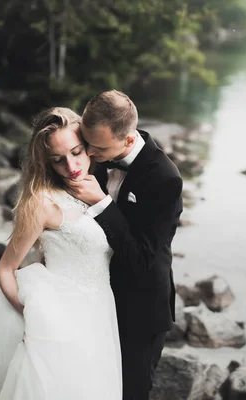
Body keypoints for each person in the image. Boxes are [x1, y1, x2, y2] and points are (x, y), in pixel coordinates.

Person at [0, 107, 122, 400]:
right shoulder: (43, 203)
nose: (72, 165)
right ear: (46, 163)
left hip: (99, 314)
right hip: (57, 319)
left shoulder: (100, 189)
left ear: (88, 146)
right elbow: (5, 269)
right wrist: (31, 317)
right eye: (58, 160)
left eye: (76, 152)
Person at [68, 90, 183, 400]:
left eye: (98, 147)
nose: (88, 153)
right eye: (87, 142)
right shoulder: (95, 152)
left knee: (130, 392)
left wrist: (103, 204)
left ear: (129, 141)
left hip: (140, 309)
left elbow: (139, 259)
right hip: (93, 296)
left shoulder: (165, 180)